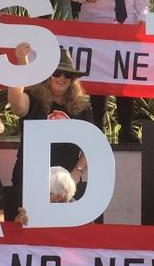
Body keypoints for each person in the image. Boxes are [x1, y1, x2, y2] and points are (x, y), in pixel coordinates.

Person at [63, 0, 149, 143]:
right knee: (98, 82)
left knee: (125, 81)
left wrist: (142, 18)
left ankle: (126, 129)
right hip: (96, 34)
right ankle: (97, 128)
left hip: (126, 32)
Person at [7, 44, 93, 222]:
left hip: (65, 183)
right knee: (25, 231)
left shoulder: (82, 107)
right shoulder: (33, 99)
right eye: (57, 73)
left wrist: (75, 174)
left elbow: (92, 145)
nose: (62, 78)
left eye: (68, 75)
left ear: (73, 80)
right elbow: (16, 103)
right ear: (48, 76)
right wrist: (21, 63)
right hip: (29, 180)